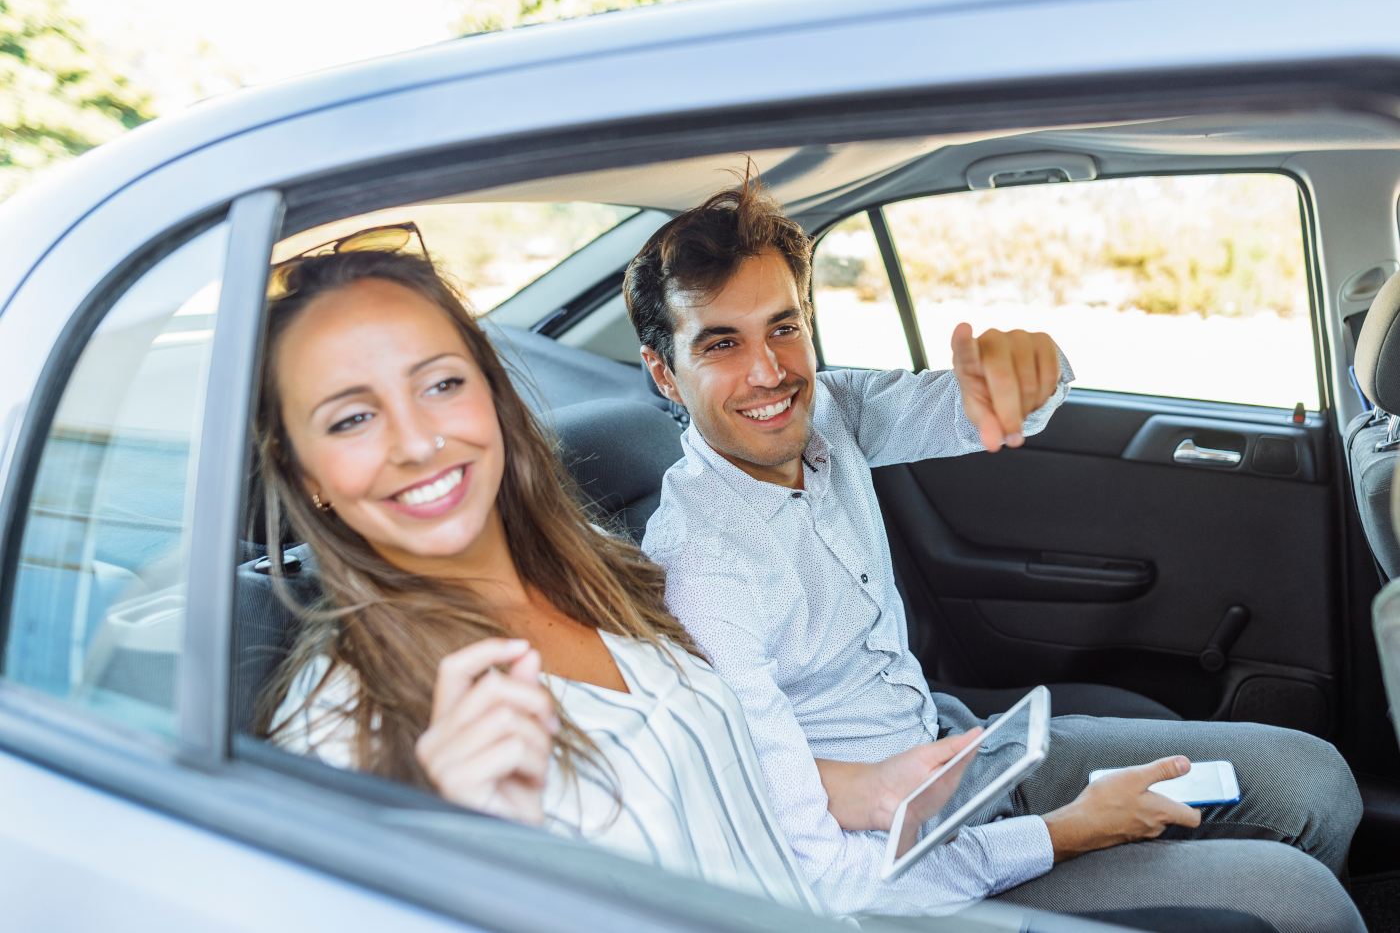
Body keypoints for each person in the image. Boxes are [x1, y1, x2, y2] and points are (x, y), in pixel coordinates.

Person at [627, 178, 1365, 932]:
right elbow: (834, 885)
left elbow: (979, 403)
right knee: (1303, 904)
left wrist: (1030, 369)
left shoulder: (830, 414)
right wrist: (1073, 829)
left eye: (784, 327)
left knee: (1320, 782)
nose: (769, 370)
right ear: (663, 370)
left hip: (963, 758)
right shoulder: (701, 571)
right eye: (722, 343)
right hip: (905, 876)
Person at [250, 244, 993, 914]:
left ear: (493, 397)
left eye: (441, 384)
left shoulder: (599, 568)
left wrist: (865, 790)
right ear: (301, 470)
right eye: (350, 418)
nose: (416, 440)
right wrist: (466, 860)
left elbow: (701, 775)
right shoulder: (342, 723)